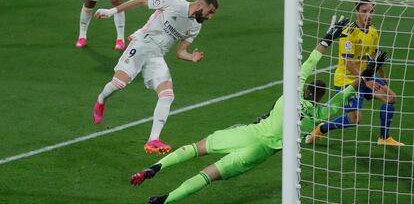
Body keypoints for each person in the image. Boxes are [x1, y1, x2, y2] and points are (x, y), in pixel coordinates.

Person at [128, 16, 386, 204]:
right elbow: (344, 96)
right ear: (320, 98)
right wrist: (366, 74)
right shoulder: (319, 115)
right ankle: (165, 200)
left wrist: (328, 38)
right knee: (207, 175)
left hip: (250, 133)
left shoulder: (293, 93)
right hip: (259, 151)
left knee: (196, 148)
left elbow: (308, 63)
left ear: (306, 90)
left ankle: (154, 168)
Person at [92, 0, 218, 154]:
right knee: (118, 84)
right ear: (200, 6)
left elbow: (180, 52)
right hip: (141, 44)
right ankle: (101, 99)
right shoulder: (173, 3)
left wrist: (191, 57)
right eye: (210, 12)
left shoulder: (195, 26)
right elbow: (140, 1)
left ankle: (153, 140)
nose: (210, 17)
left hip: (157, 57)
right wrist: (112, 11)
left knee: (167, 95)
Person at [306, 0, 404, 146]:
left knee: (390, 97)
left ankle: (384, 138)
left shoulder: (373, 31)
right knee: (355, 119)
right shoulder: (348, 33)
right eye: (364, 11)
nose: (368, 15)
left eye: (371, 11)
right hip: (347, 80)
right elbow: (349, 64)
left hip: (365, 77)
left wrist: (382, 76)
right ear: (357, 12)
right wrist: (367, 80)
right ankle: (322, 129)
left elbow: (375, 55)